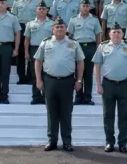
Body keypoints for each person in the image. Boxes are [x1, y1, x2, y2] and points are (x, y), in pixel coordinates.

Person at [34, 17, 85, 152]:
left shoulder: (73, 44)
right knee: (51, 112)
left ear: (66, 29)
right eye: (57, 27)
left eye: (62, 27)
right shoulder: (45, 43)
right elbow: (38, 61)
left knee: (66, 112)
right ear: (53, 29)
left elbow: (80, 62)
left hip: (67, 81)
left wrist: (79, 80)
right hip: (50, 81)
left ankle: (67, 141)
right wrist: (38, 80)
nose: (59, 29)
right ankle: (52, 141)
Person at [93, 22, 127, 153]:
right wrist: (98, 84)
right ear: (109, 34)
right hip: (108, 84)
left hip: (125, 84)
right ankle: (109, 142)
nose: (116, 34)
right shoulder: (103, 47)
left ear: (123, 34)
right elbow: (97, 66)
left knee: (124, 115)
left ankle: (122, 142)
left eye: (119, 32)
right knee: (108, 115)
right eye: (114, 32)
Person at [67, 0, 101, 105]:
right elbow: (70, 36)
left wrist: (98, 49)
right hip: (77, 46)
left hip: (90, 47)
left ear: (90, 7)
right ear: (80, 7)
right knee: (77, 73)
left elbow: (98, 35)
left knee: (88, 74)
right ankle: (78, 96)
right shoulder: (73, 20)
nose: (85, 8)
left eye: (87, 6)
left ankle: (87, 97)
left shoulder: (94, 20)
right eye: (83, 6)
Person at [23, 1, 54, 103]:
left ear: (47, 10)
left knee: (47, 73)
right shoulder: (30, 23)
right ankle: (36, 96)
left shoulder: (52, 23)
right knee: (34, 74)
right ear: (36, 10)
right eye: (39, 9)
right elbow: (27, 39)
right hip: (34, 49)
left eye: (43, 9)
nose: (41, 10)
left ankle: (46, 96)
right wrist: (26, 52)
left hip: (48, 49)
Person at [12, 0, 39, 84]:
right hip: (20, 27)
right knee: (21, 54)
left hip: (33, 27)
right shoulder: (17, 2)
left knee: (32, 53)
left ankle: (31, 76)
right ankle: (21, 77)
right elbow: (14, 17)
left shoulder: (37, 2)